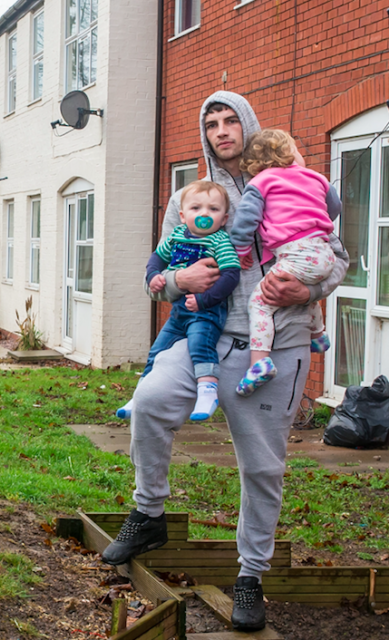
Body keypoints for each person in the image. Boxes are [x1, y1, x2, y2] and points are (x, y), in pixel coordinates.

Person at [100, 92, 348, 633]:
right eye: (210, 122)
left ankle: (250, 577)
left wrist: (306, 289)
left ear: (248, 125)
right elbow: (157, 273)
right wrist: (172, 282)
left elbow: (338, 256)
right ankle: (149, 514)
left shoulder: (289, 179)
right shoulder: (192, 194)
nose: (220, 129)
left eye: (230, 119)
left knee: (261, 467)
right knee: (150, 401)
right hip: (201, 336)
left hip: (274, 345)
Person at [116, 181, 240, 421]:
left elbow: (231, 275)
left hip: (207, 310)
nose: (204, 214)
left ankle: (207, 391)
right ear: (183, 216)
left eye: (213, 210)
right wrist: (155, 277)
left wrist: (204, 301)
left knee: (200, 345)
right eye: (196, 208)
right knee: (157, 350)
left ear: (224, 219)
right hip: (179, 311)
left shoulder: (220, 241)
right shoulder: (175, 236)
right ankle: (139, 394)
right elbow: (156, 259)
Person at [230, 129, 339, 397]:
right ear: (286, 152)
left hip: (295, 252)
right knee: (302, 292)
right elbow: (333, 207)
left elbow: (245, 222)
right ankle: (318, 335)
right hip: (324, 251)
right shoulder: (317, 178)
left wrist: (242, 250)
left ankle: (259, 364)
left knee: (260, 303)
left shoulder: (261, 182)